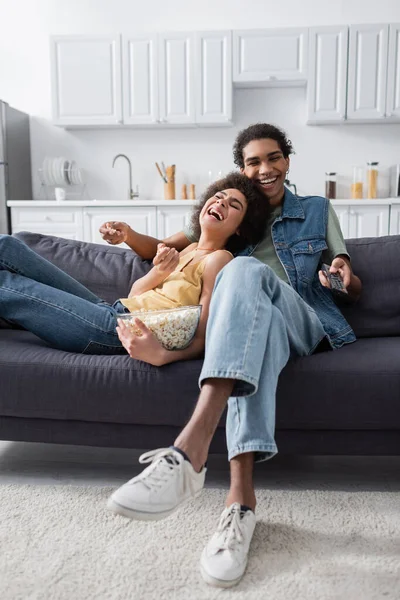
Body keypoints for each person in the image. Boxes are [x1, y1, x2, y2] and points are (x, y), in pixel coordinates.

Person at [103, 123, 363, 589]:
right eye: (253, 162)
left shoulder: (317, 209)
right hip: (255, 321)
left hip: (303, 317)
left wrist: (340, 272)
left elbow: (350, 279)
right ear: (241, 168)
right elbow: (169, 246)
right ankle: (239, 507)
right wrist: (128, 236)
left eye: (273, 158)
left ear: (287, 159)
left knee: (242, 269)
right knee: (245, 299)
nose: (264, 169)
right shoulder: (233, 209)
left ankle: (189, 451)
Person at [0, 173, 269, 358]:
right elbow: (134, 294)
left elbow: (204, 334)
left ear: (240, 229)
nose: (221, 202)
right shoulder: (188, 249)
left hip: (114, 332)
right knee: (7, 246)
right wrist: (160, 271)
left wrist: (163, 356)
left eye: (233, 205)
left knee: (7, 285)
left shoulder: (220, 259)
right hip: (110, 310)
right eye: (219, 196)